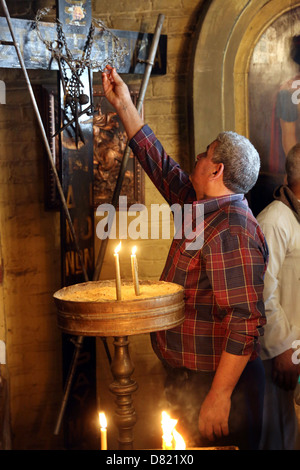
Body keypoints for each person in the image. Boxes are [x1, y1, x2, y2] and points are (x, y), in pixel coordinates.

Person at [101, 66, 269, 450]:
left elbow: (245, 321)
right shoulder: (200, 206)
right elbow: (161, 166)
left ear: (216, 169)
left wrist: (219, 396)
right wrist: (124, 104)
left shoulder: (232, 229)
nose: (196, 155)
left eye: (205, 152)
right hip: (189, 378)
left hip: (220, 388)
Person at [257, 144, 300, 450]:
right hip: (283, 353)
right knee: (281, 438)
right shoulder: (274, 219)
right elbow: (262, 289)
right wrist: (281, 348)